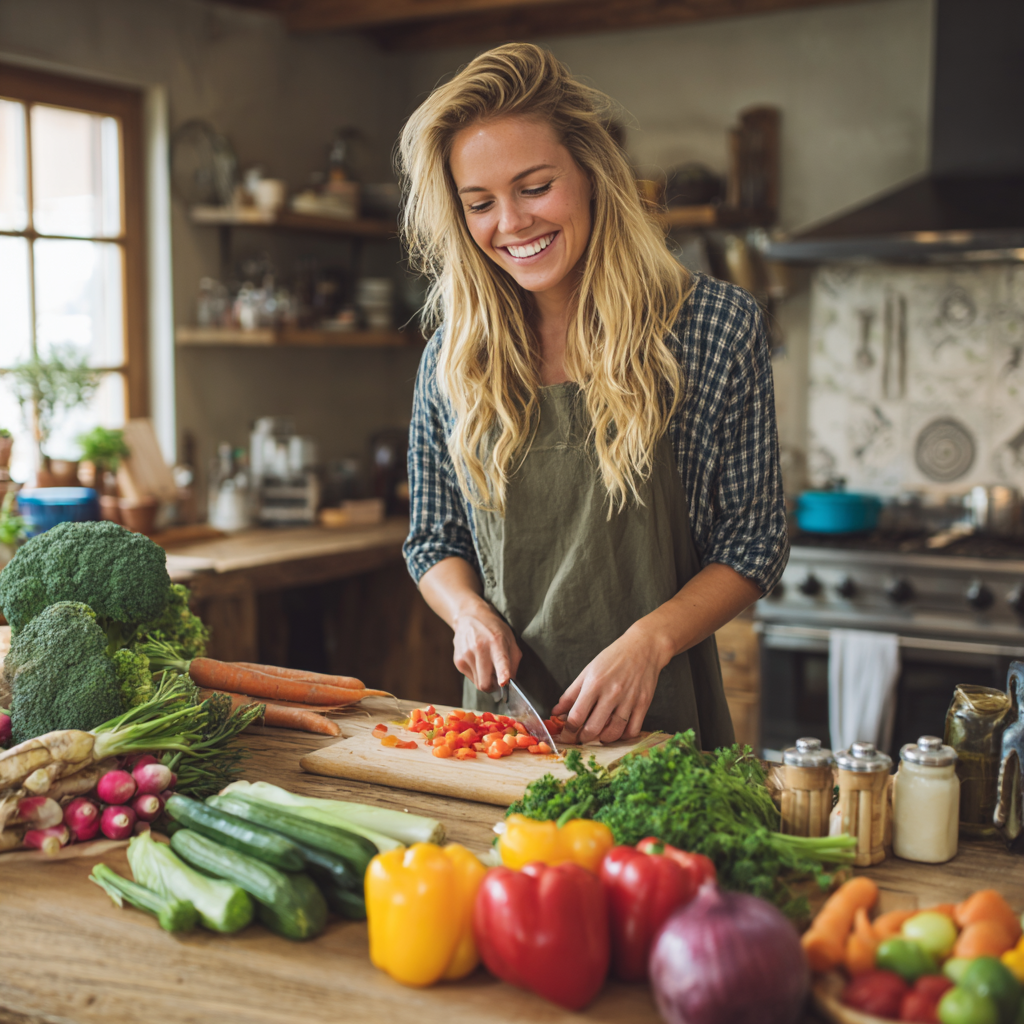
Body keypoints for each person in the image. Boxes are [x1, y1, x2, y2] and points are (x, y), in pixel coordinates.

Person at [398, 43, 788, 747]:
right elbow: (434, 539)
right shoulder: (452, 359)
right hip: (504, 731)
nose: (511, 223)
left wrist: (651, 642)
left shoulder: (712, 328)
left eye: (535, 186)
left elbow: (753, 541)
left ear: (591, 174)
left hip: (664, 724)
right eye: (480, 203)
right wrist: (466, 613)